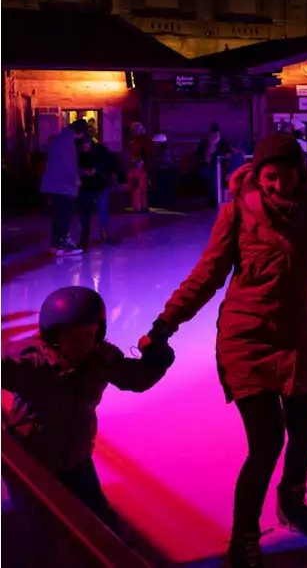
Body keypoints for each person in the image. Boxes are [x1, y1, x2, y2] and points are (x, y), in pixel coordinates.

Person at [139, 133, 307, 567]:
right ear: (256, 174)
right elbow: (206, 276)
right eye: (267, 179)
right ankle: (243, 535)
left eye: (283, 178)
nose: (274, 188)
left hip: (301, 337)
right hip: (246, 340)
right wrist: (164, 324)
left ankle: (292, 502)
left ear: (299, 173)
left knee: (304, 434)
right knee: (266, 442)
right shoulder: (236, 215)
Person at [1, 287, 173, 561]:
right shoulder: (34, 362)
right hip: (34, 463)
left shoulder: (100, 358)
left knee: (99, 520)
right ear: (54, 338)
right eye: (72, 339)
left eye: (88, 336)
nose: (82, 345)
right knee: (40, 532)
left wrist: (157, 362)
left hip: (77, 457)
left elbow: (134, 379)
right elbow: (6, 365)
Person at [41, 118, 87, 255]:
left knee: (57, 214)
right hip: (64, 186)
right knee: (64, 214)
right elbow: (68, 164)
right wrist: (76, 179)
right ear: (81, 133)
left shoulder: (58, 139)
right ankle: (63, 243)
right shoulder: (68, 143)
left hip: (54, 184)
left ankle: (55, 244)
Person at [76, 134, 120, 248]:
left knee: (102, 210)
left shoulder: (101, 151)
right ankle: (85, 238)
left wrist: (97, 169)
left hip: (101, 184)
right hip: (87, 186)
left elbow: (111, 163)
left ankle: (103, 233)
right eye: (83, 146)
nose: (85, 148)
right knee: (86, 212)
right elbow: (75, 167)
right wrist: (84, 172)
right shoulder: (79, 152)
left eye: (86, 146)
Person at [126, 122, 150, 213]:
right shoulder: (135, 140)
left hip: (139, 166)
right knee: (138, 188)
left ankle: (139, 208)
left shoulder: (142, 140)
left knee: (138, 188)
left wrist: (144, 163)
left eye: (135, 130)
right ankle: (140, 207)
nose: (133, 131)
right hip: (135, 166)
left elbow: (146, 154)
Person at [150, 133, 176, 209]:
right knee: (167, 187)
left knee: (161, 187)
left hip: (161, 171)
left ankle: (162, 202)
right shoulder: (168, 149)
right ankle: (167, 202)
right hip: (167, 170)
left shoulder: (159, 151)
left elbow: (158, 160)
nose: (154, 143)